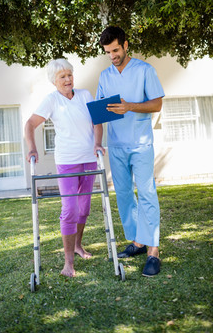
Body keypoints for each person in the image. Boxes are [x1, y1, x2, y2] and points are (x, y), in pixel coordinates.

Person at [25, 58, 104, 277]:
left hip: (88, 159)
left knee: (84, 208)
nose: (68, 79)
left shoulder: (86, 95)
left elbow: (97, 122)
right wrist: (32, 148)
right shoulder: (51, 101)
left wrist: (97, 143)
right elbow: (30, 124)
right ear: (54, 81)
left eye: (69, 74)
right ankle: (68, 263)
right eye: (62, 76)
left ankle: (78, 245)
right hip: (67, 162)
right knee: (70, 210)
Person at [95, 26, 165, 277]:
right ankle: (137, 242)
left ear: (125, 45)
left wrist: (130, 107)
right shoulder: (105, 75)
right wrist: (97, 140)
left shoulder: (145, 70)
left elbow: (157, 103)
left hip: (140, 142)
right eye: (107, 52)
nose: (112, 55)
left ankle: (153, 251)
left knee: (146, 192)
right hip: (116, 144)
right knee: (124, 195)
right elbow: (100, 110)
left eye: (115, 50)